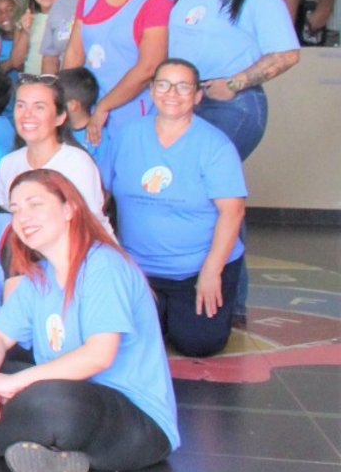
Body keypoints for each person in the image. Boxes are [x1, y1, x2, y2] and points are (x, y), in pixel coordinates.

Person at [0, 170, 179, 472]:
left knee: (53, 401)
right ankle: (54, 452)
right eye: (16, 209)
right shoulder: (39, 276)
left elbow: (98, 356)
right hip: (64, 407)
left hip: (136, 426)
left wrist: (13, 384)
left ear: (68, 209)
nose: (23, 217)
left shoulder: (103, 264)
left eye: (35, 204)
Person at [100, 58, 246, 356]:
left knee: (198, 344)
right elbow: (99, 195)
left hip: (195, 269)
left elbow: (233, 212)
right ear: (152, 91)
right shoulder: (126, 136)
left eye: (183, 87)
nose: (172, 93)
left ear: (197, 96)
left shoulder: (215, 145)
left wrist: (211, 270)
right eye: (164, 84)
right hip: (139, 269)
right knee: (129, 342)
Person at [168, 0, 300, 159]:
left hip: (230, 103)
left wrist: (233, 83)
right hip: (186, 99)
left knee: (205, 181)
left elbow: (288, 54)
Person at [63, 0, 173, 140]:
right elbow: (75, 53)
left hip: (131, 111)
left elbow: (148, 67)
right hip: (86, 108)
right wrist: (67, 98)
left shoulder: (158, 0)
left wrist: (104, 107)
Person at [0, 74, 105, 217]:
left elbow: (87, 225)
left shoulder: (77, 163)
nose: (27, 114)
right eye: (21, 105)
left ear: (60, 117)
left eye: (39, 107)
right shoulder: (8, 163)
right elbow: (4, 218)